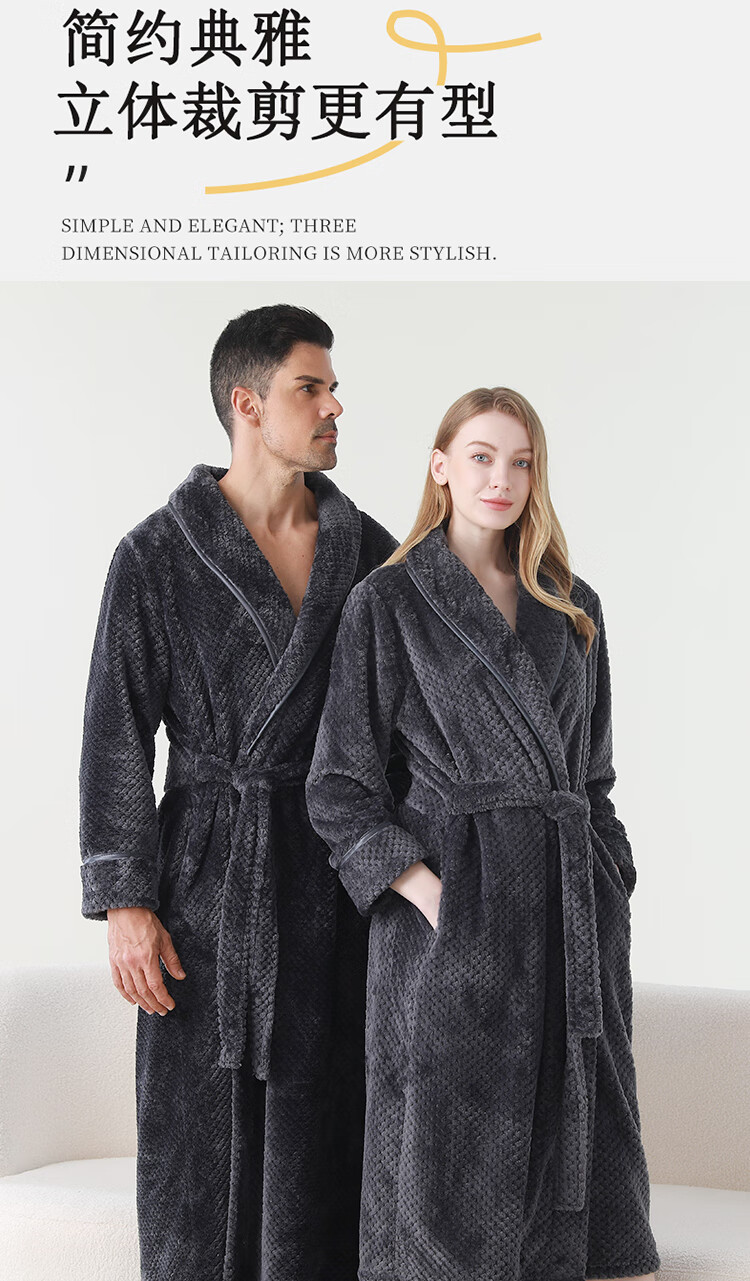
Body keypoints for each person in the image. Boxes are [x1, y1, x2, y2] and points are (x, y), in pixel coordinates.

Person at [305, 387, 662, 1281]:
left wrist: (607, 883)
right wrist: (433, 895)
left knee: (570, 1155)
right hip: (448, 924)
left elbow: (593, 779)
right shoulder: (387, 603)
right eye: (480, 456)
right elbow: (340, 787)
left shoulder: (573, 606)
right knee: (443, 1161)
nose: (501, 478)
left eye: (521, 461)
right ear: (441, 466)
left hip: (568, 917)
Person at [78, 303, 399, 1281]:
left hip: (335, 890)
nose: (335, 406)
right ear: (248, 404)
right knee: (198, 1154)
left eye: (334, 387)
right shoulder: (156, 554)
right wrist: (126, 901)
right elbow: (116, 731)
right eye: (313, 387)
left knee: (326, 1145)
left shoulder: (369, 553)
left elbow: (410, 731)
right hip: (206, 894)